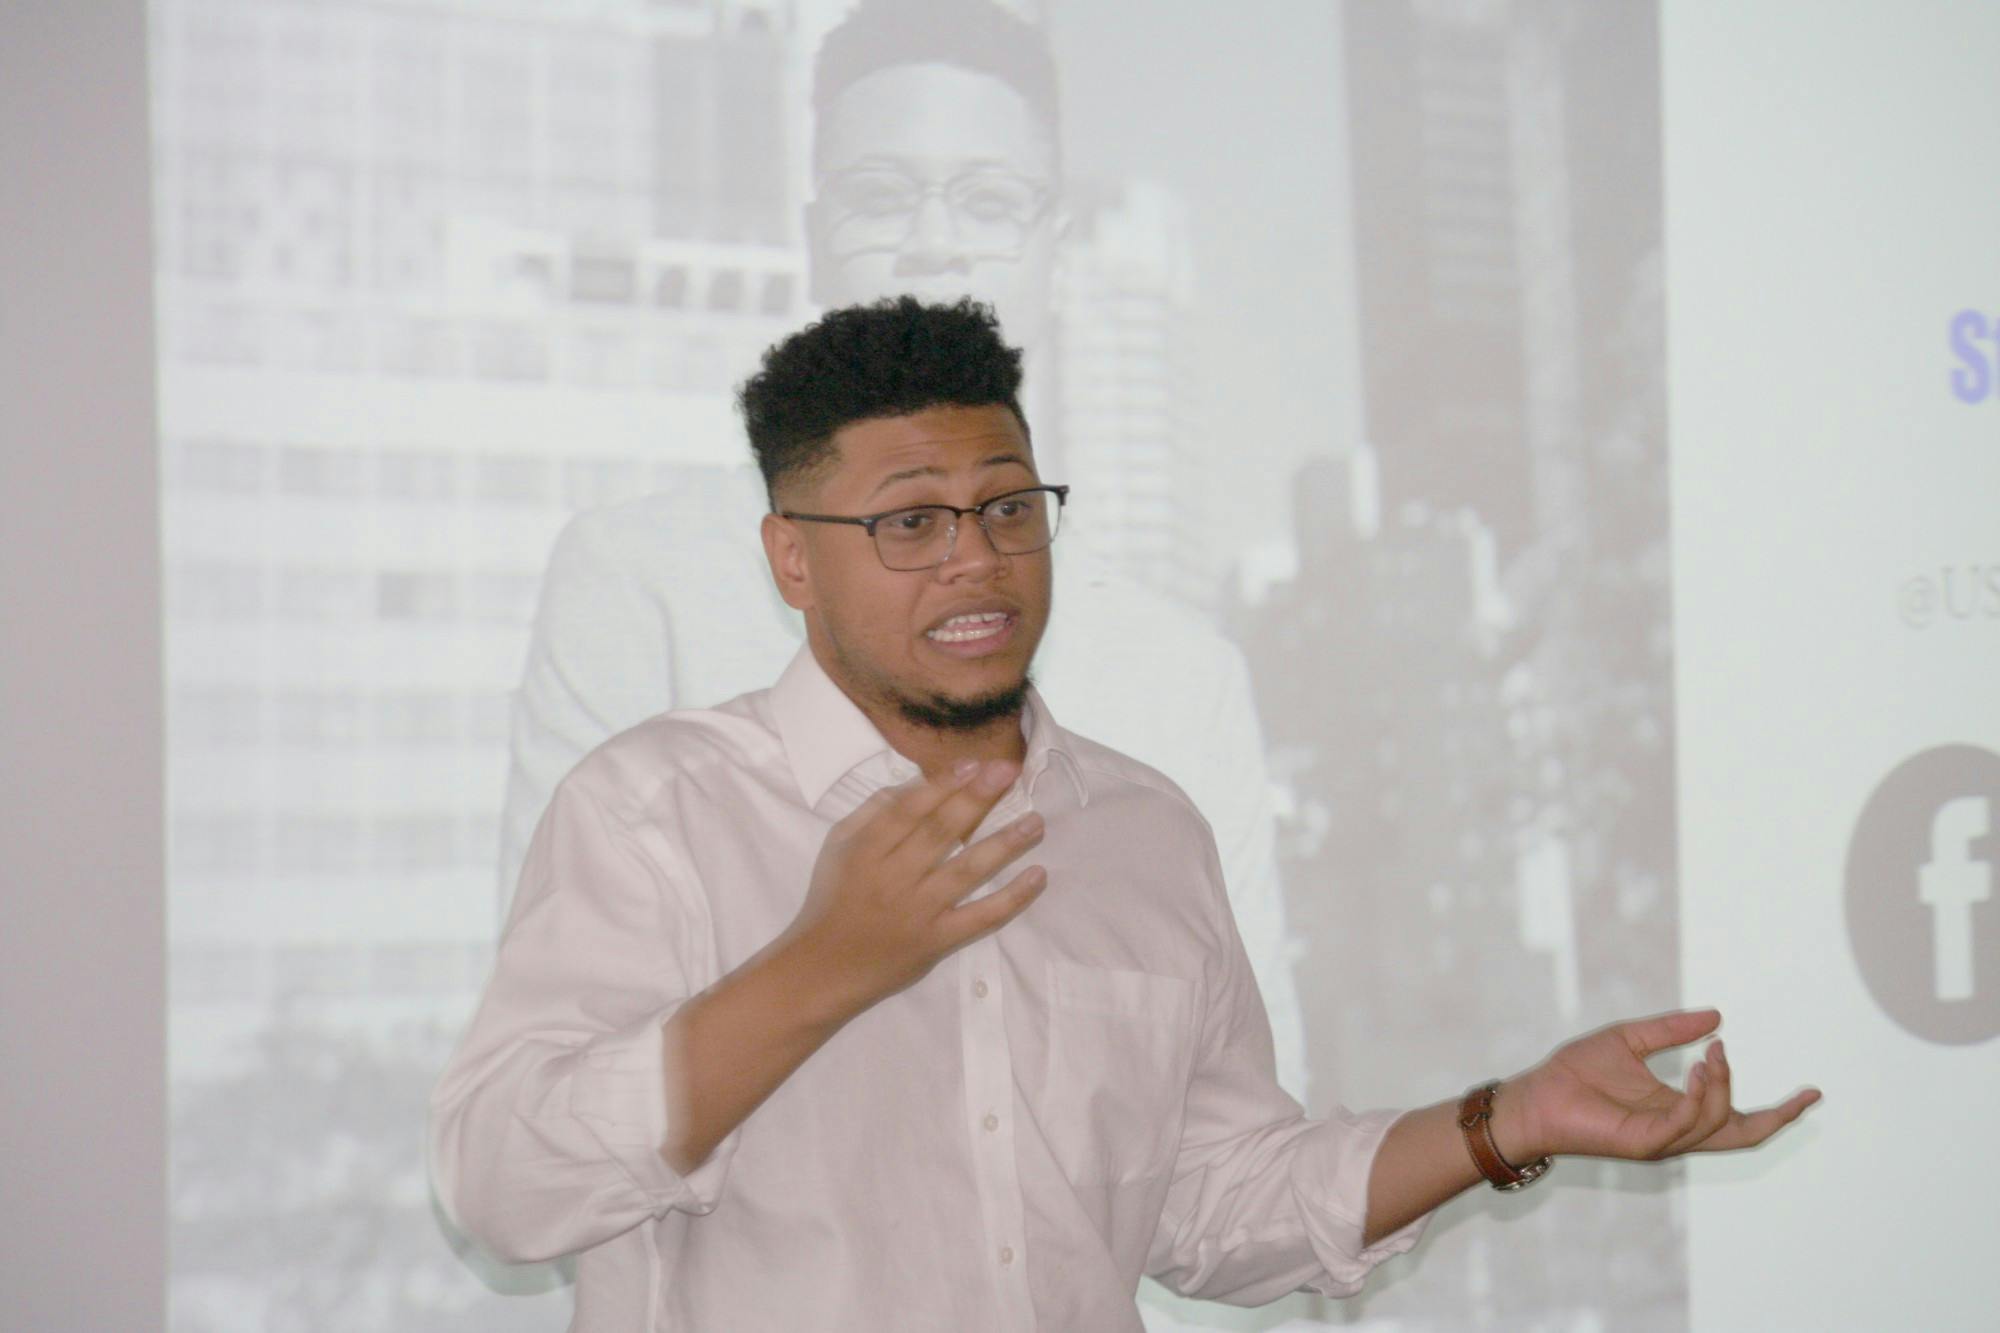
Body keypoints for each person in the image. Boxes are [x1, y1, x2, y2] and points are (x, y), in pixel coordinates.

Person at [431, 297, 1819, 1332]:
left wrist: (1506, 1119)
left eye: (1009, 507)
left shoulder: (1145, 830)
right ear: (792, 558)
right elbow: (503, 1186)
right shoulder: (656, 809)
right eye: (910, 523)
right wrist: (822, 967)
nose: (977, 559)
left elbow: (1218, 1206)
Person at [496, 0, 1312, 1101]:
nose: (932, 240)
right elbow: (562, 1078)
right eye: (881, 197)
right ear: (812, 233)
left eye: (985, 200)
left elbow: (1249, 1124)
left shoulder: (1181, 677)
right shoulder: (638, 586)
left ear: (1053, 252)